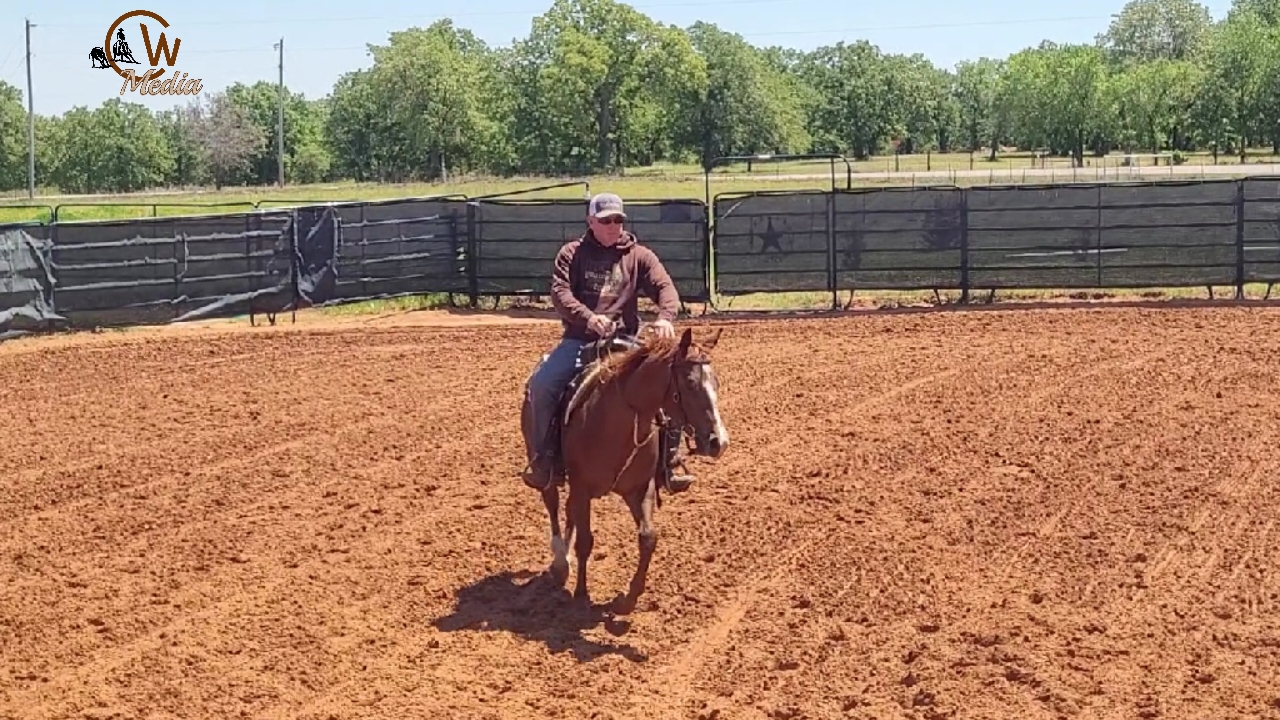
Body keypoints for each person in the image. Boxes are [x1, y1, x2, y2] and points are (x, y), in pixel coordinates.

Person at [521, 192, 696, 493]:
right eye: (605, 220)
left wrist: (666, 317)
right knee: (543, 384)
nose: (613, 225)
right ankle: (544, 460)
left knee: (669, 380)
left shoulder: (639, 255)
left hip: (627, 339)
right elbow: (561, 294)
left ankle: (669, 462)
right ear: (591, 221)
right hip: (580, 339)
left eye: (617, 220)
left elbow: (664, 286)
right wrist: (589, 318)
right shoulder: (571, 254)